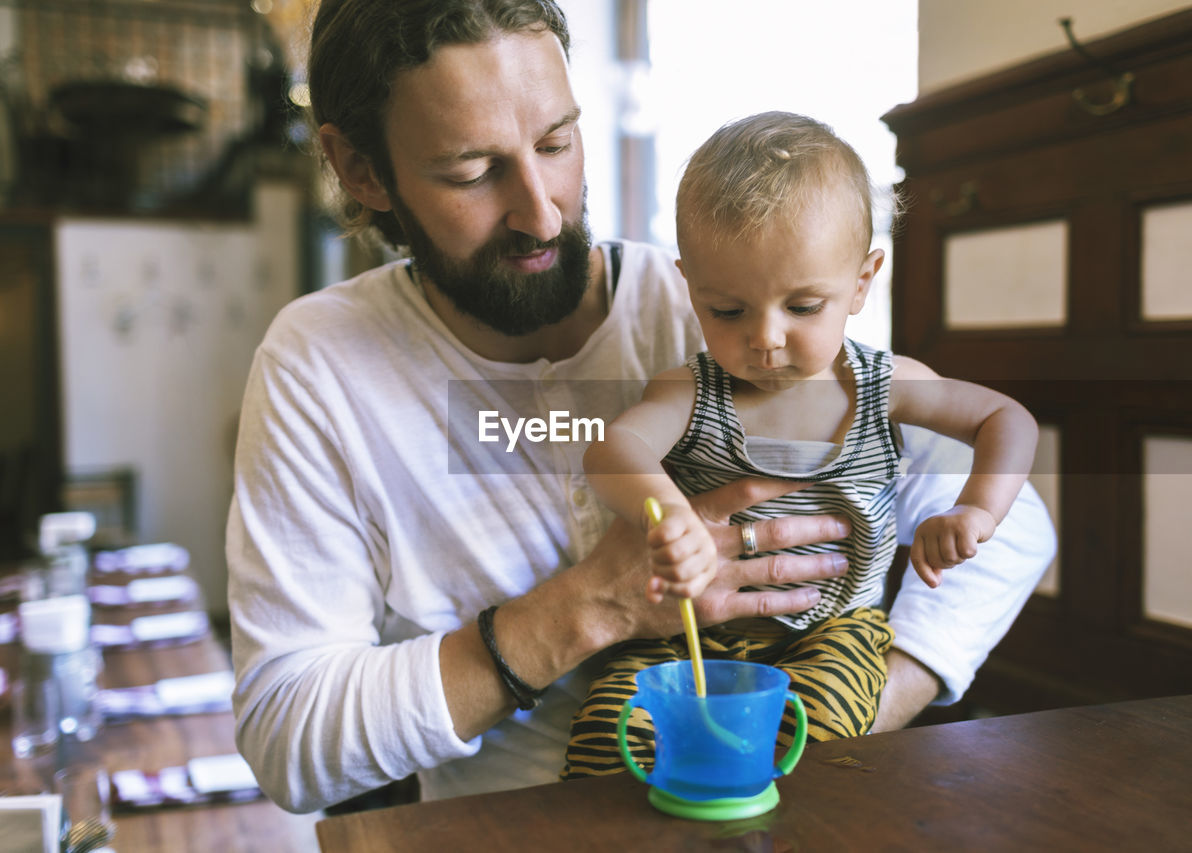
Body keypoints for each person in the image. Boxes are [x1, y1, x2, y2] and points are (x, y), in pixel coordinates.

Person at [226, 0, 1056, 814]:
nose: (542, 209)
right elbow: (289, 741)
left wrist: (838, 712)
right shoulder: (321, 365)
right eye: (472, 172)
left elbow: (1015, 529)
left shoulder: (725, 309)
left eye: (557, 142)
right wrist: (591, 606)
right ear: (362, 170)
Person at [562, 112, 1039, 778]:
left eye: (804, 306)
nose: (766, 337)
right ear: (688, 286)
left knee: (817, 744)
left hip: (833, 630)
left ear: (863, 282)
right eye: (727, 310)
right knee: (611, 731)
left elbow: (1005, 418)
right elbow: (612, 450)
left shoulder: (886, 385)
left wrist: (975, 511)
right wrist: (672, 515)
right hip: (689, 633)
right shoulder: (690, 391)